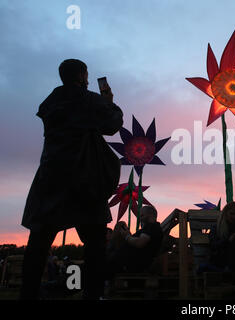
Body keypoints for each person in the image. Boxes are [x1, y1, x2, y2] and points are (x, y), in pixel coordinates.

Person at [20, 59, 123, 300]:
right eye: (86, 75)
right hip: (84, 180)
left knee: (39, 242)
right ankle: (93, 294)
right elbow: (112, 125)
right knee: (95, 244)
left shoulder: (51, 102)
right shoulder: (89, 100)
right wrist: (110, 104)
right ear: (81, 75)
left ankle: (27, 295)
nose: (88, 80)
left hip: (51, 178)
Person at [207, 201, 235, 297]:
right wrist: (228, 240)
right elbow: (213, 246)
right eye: (231, 214)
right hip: (220, 258)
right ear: (225, 213)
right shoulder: (216, 227)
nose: (234, 217)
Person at [106, 205, 164, 276]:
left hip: (130, 263)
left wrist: (126, 236)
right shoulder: (150, 227)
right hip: (125, 261)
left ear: (150, 214)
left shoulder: (151, 227)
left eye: (142, 215)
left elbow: (140, 243)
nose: (140, 218)